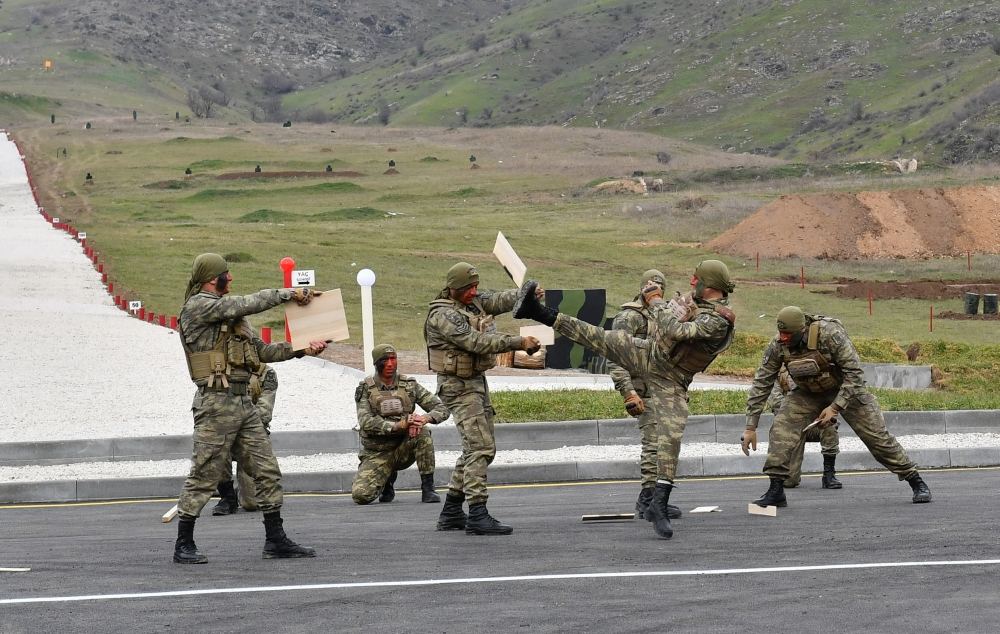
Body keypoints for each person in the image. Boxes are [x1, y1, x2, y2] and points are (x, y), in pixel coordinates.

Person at [514, 260, 737, 540]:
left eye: (696, 279)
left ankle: (659, 503)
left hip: (672, 377)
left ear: (711, 285)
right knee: (600, 337)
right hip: (651, 355)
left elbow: (675, 332)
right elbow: (667, 327)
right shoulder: (692, 302)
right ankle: (538, 311)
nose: (692, 283)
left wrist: (655, 301)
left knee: (671, 435)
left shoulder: (718, 319)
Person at [173, 253, 327, 564]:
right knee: (205, 473)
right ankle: (183, 543)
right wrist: (289, 294)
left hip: (244, 403)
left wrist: (302, 348)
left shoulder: (234, 319)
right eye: (224, 274)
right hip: (216, 404)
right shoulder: (198, 306)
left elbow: (262, 351)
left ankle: (275, 539)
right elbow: (248, 302)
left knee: (267, 470)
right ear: (209, 278)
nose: (229, 279)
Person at [741, 306, 931, 507]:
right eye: (781, 333)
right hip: (807, 393)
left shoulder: (830, 335)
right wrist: (750, 427)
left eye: (788, 334)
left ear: (802, 330)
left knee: (877, 438)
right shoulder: (778, 345)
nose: (783, 338)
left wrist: (835, 408)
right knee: (781, 429)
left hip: (846, 390)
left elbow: (855, 374)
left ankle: (915, 480)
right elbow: (762, 382)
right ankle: (776, 490)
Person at [425, 262, 541, 535]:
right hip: (457, 387)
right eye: (468, 288)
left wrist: (528, 293)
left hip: (474, 382)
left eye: (475, 287)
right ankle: (477, 513)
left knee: (474, 448)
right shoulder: (442, 315)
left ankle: (452, 511)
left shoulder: (472, 302)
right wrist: (517, 342)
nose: (474, 293)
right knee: (481, 448)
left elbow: (499, 299)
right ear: (453, 288)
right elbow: (476, 342)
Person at [607, 269, 681, 520]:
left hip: (663, 388)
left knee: (664, 445)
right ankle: (648, 499)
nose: (655, 290)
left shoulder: (663, 314)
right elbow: (615, 358)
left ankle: (655, 497)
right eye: (650, 286)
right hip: (642, 389)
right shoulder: (629, 317)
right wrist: (628, 392)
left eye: (659, 287)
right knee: (652, 444)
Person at [352, 344, 451, 505]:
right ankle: (386, 482)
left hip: (403, 448)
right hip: (377, 452)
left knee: (423, 432)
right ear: (377, 363)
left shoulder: (409, 385)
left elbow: (441, 408)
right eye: (385, 360)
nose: (390, 364)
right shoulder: (366, 388)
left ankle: (428, 488)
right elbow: (366, 422)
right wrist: (399, 425)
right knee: (361, 496)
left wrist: (424, 419)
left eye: (393, 359)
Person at [211, 364, 278, 515]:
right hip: (226, 431)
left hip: (251, 435)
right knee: (216, 445)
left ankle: (241, 491)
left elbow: (264, 411)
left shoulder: (266, 373)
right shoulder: (222, 370)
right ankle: (227, 496)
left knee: (251, 503)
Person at [767, 367, 842, 489]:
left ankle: (829, 473)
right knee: (789, 481)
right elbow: (776, 403)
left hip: (814, 423)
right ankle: (786, 474)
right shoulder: (779, 374)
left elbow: (829, 399)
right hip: (793, 425)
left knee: (829, 426)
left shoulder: (816, 370)